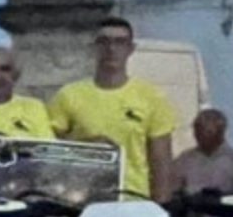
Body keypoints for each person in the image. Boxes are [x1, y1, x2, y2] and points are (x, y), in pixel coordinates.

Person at [48, 17, 176, 203]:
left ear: (131, 49)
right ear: (93, 47)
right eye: (104, 42)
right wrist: (86, 145)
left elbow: (161, 164)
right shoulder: (68, 95)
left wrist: (161, 209)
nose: (111, 49)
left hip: (132, 202)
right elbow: (49, 149)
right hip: (80, 201)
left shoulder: (151, 98)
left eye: (120, 42)